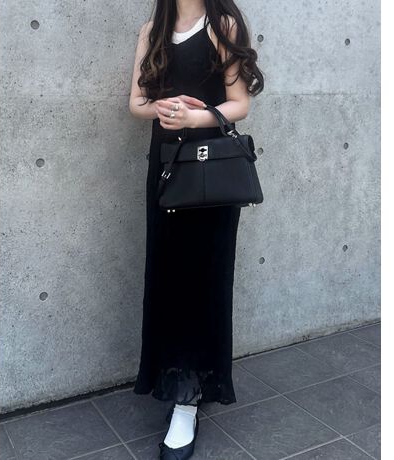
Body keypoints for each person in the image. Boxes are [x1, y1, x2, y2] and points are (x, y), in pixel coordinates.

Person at [129, 0, 264, 458]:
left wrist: (194, 117)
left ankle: (188, 402)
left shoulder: (222, 25)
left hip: (211, 174)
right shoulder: (151, 30)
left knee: (204, 281)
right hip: (166, 171)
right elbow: (135, 104)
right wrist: (161, 108)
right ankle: (173, 380)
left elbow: (240, 103)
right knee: (168, 280)